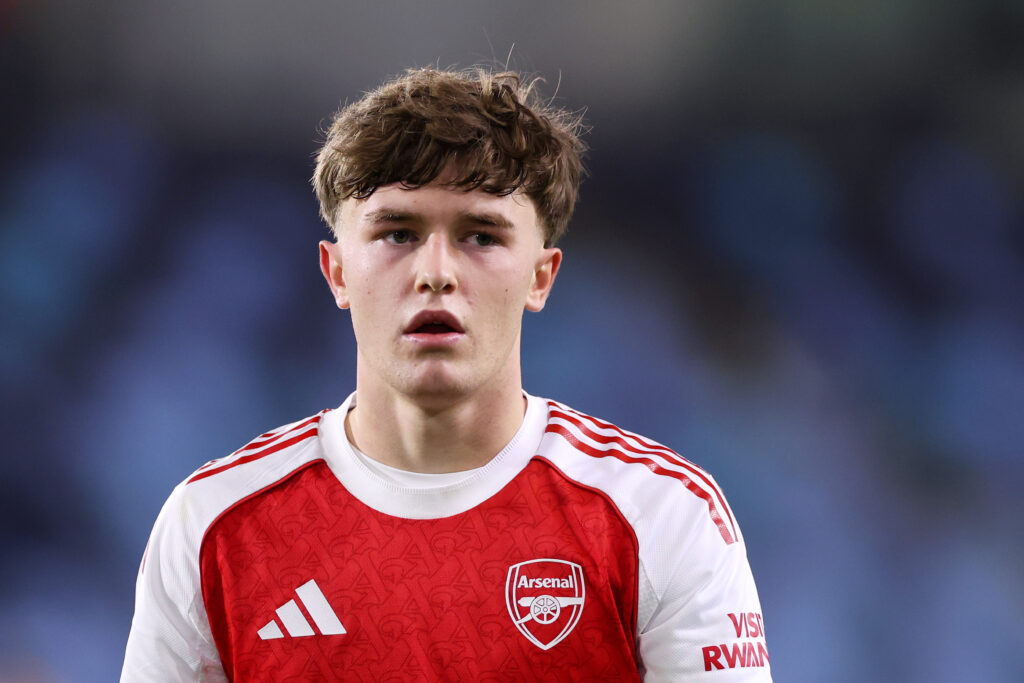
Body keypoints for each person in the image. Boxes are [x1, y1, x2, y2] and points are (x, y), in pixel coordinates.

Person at [121, 67, 771, 682]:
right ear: (337, 271)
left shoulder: (662, 516)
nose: (437, 271)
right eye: (398, 232)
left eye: (481, 235)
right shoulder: (211, 525)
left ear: (541, 276)